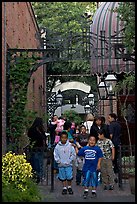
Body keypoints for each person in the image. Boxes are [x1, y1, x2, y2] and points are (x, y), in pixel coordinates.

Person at [27, 117, 46, 183]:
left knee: (38, 162)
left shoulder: (38, 129)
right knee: (37, 163)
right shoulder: (36, 130)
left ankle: (39, 176)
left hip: (38, 148)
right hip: (36, 148)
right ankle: (38, 176)